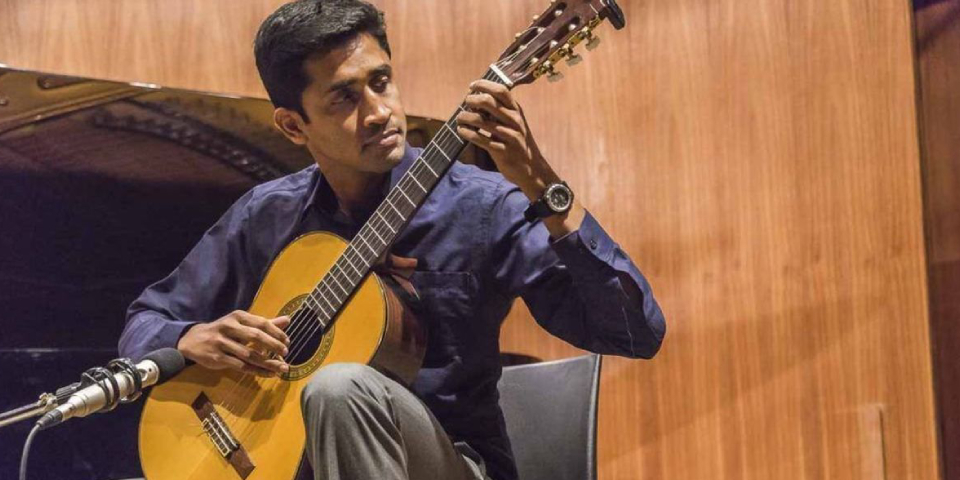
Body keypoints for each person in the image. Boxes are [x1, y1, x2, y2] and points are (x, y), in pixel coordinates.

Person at [118, 1, 665, 479]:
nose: (378, 112)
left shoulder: (482, 206)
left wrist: (540, 183)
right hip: (294, 466)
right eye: (343, 99)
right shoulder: (269, 214)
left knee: (337, 389)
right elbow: (146, 320)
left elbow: (635, 332)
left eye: (381, 81)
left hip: (450, 462)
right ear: (292, 125)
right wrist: (191, 338)